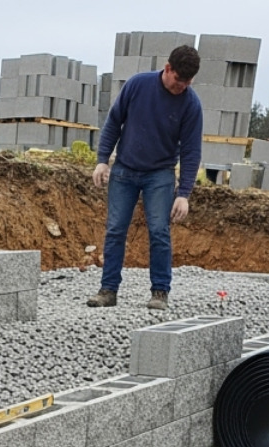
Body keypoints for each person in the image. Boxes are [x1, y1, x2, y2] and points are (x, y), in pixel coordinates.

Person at [88, 45, 203, 310]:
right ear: (167, 68)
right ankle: (108, 290)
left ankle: (160, 291)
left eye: (187, 82)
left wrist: (184, 194)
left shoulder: (191, 104)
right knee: (115, 229)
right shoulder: (138, 85)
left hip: (160, 174)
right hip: (124, 170)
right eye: (178, 80)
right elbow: (114, 122)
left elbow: (191, 151)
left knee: (159, 231)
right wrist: (102, 160)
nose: (182, 86)